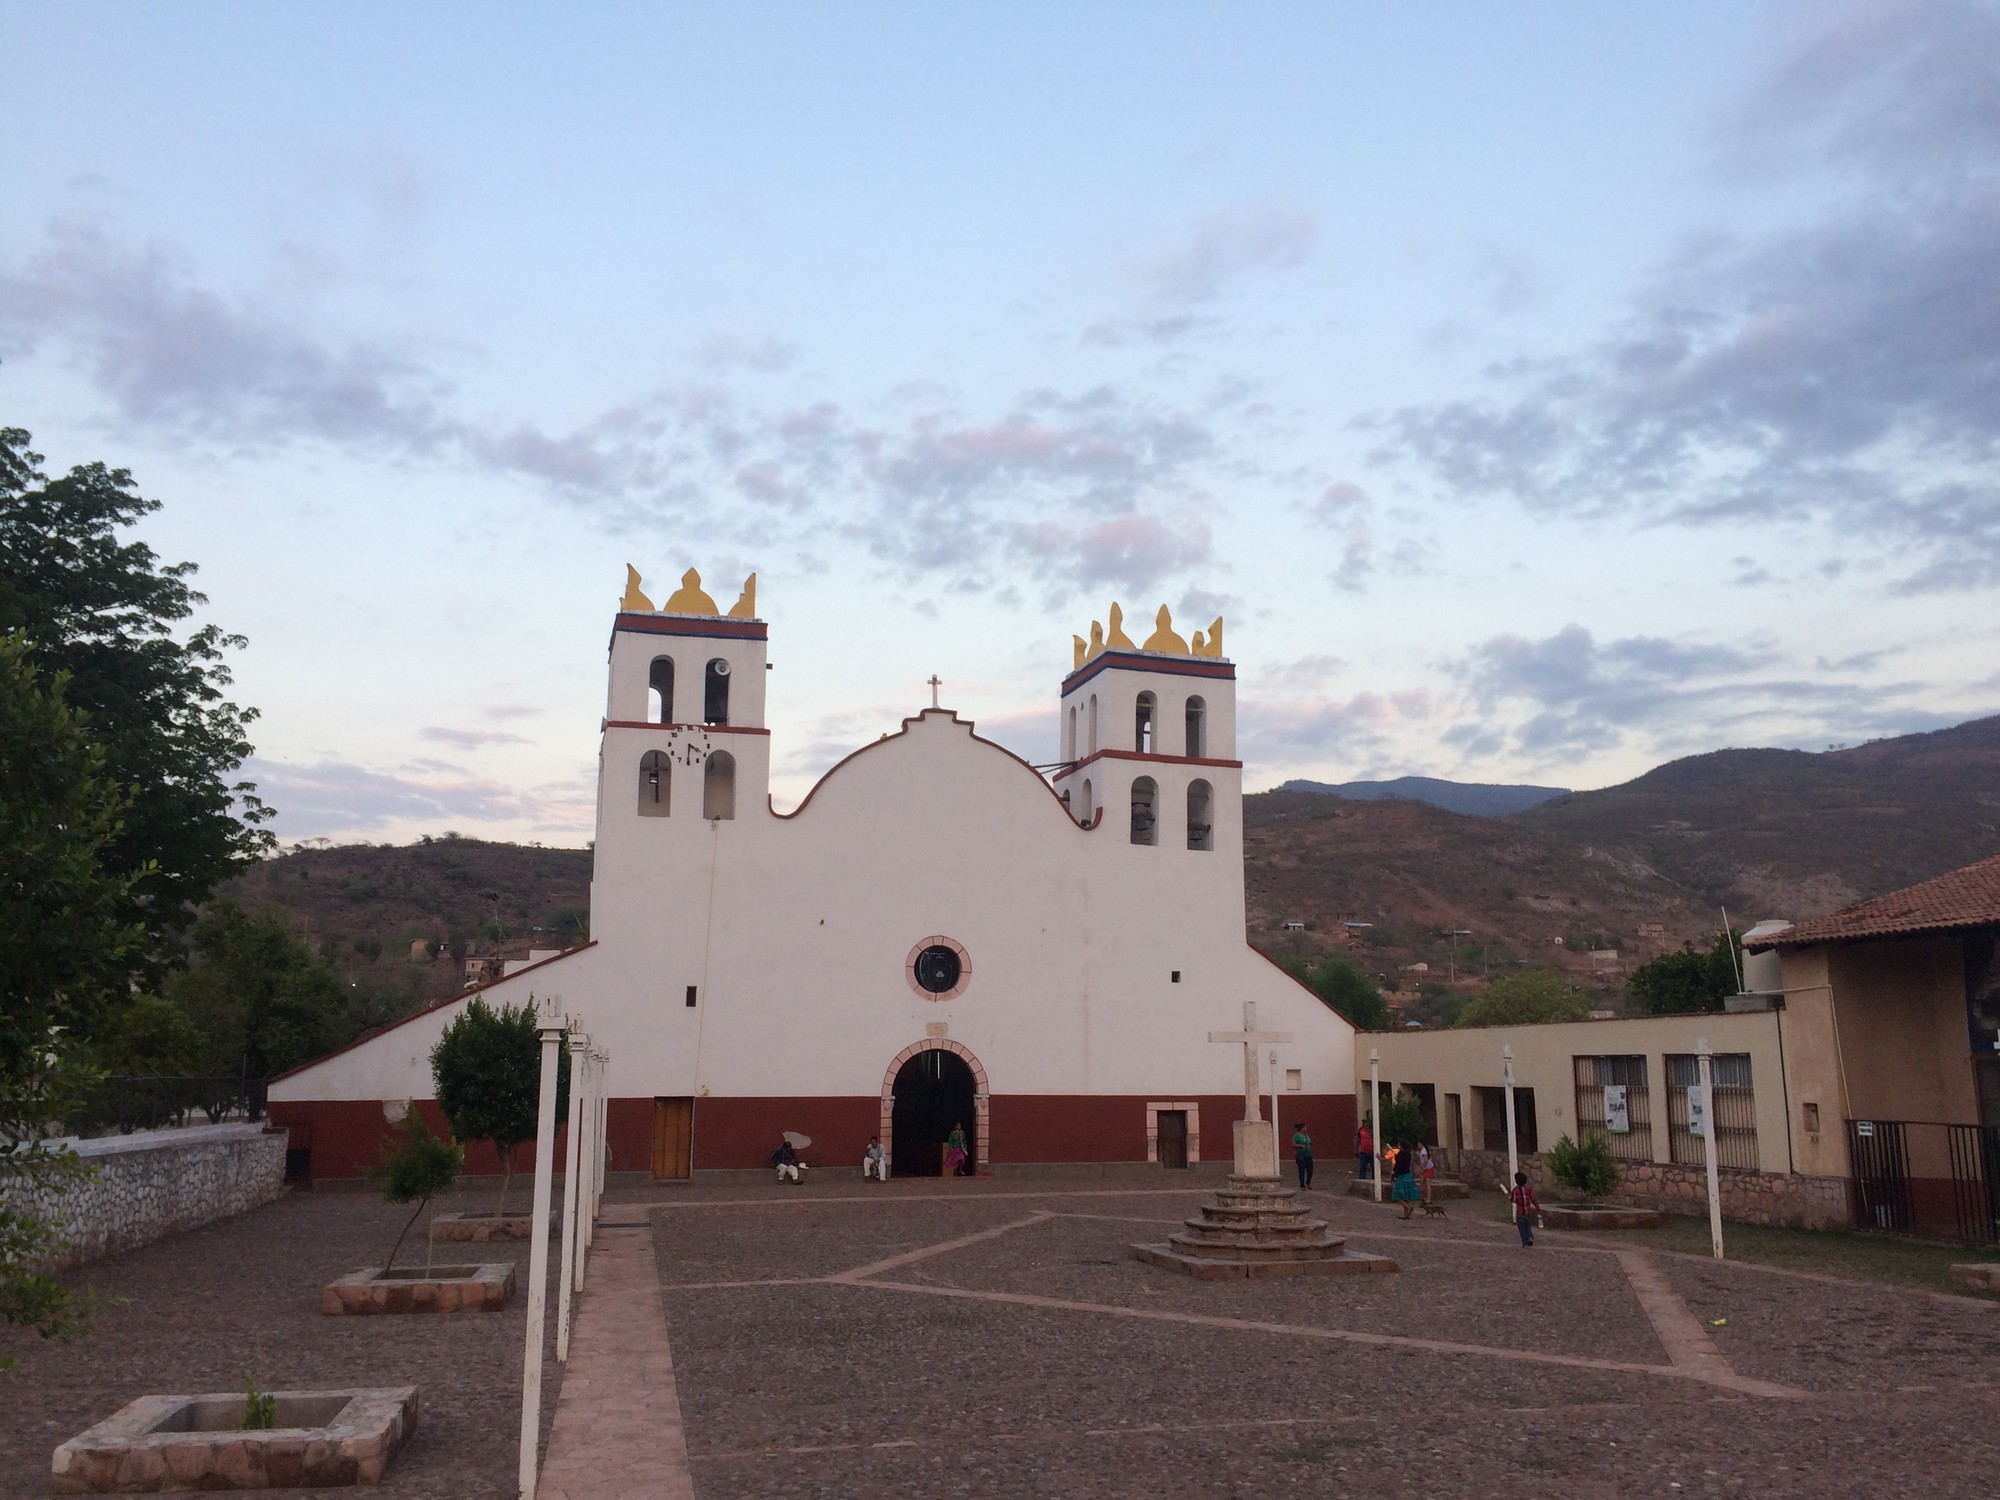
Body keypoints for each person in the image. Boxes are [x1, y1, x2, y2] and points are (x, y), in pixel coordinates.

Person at [1510, 1170, 1541, 1246]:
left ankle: (1524, 1240)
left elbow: (1513, 1200)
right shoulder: (1528, 1190)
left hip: (1520, 1212)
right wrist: (1537, 1207)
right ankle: (1529, 1237)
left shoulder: (1515, 1190)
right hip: (1528, 1212)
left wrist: (1509, 1198)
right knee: (1527, 1225)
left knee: (1521, 1227)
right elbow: (1533, 1199)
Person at [1390, 1148, 1421, 1218]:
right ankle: (1405, 1215)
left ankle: (1407, 1207)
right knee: (1405, 1196)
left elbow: (1397, 1167)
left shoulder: (1400, 1157)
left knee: (1397, 1194)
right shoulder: (1408, 1155)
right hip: (1408, 1176)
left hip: (1402, 1177)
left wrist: (1394, 1176)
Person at [1291, 1123, 1314, 1190]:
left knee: (1310, 1170)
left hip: (1308, 1155)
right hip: (1301, 1156)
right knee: (1302, 1171)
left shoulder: (1306, 1135)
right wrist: (1300, 1145)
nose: (1306, 1129)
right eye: (1305, 1127)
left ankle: (1308, 1182)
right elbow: (1292, 1144)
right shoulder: (1296, 1136)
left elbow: (1309, 1142)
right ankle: (1302, 1185)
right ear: (1301, 1128)